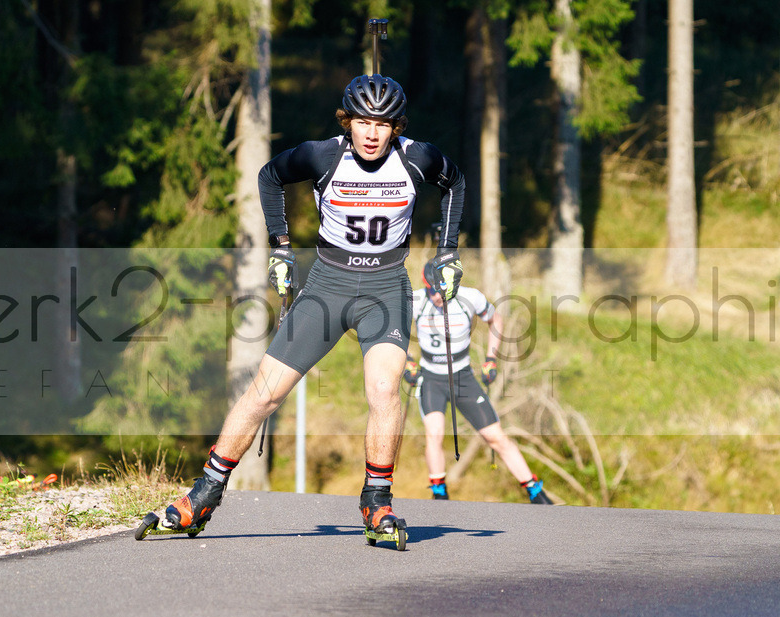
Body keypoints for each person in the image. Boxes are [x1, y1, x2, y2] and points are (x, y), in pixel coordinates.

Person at [162, 74, 466, 538]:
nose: (371, 133)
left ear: (396, 128)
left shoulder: (418, 157)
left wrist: (447, 252)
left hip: (386, 289)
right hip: (327, 287)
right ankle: (202, 495)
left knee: (385, 391)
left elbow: (456, 182)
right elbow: (269, 177)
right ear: (347, 121)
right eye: (362, 121)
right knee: (265, 392)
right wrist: (280, 245)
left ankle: (377, 503)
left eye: (382, 124)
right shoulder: (322, 155)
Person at [405, 261, 553, 504]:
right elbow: (392, 332)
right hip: (431, 377)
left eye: (439, 290)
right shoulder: (416, 301)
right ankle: (439, 491)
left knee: (495, 436)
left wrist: (490, 359)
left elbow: (496, 320)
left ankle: (534, 489)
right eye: (430, 290)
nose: (435, 296)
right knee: (434, 433)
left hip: (463, 377)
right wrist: (407, 363)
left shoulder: (470, 297)